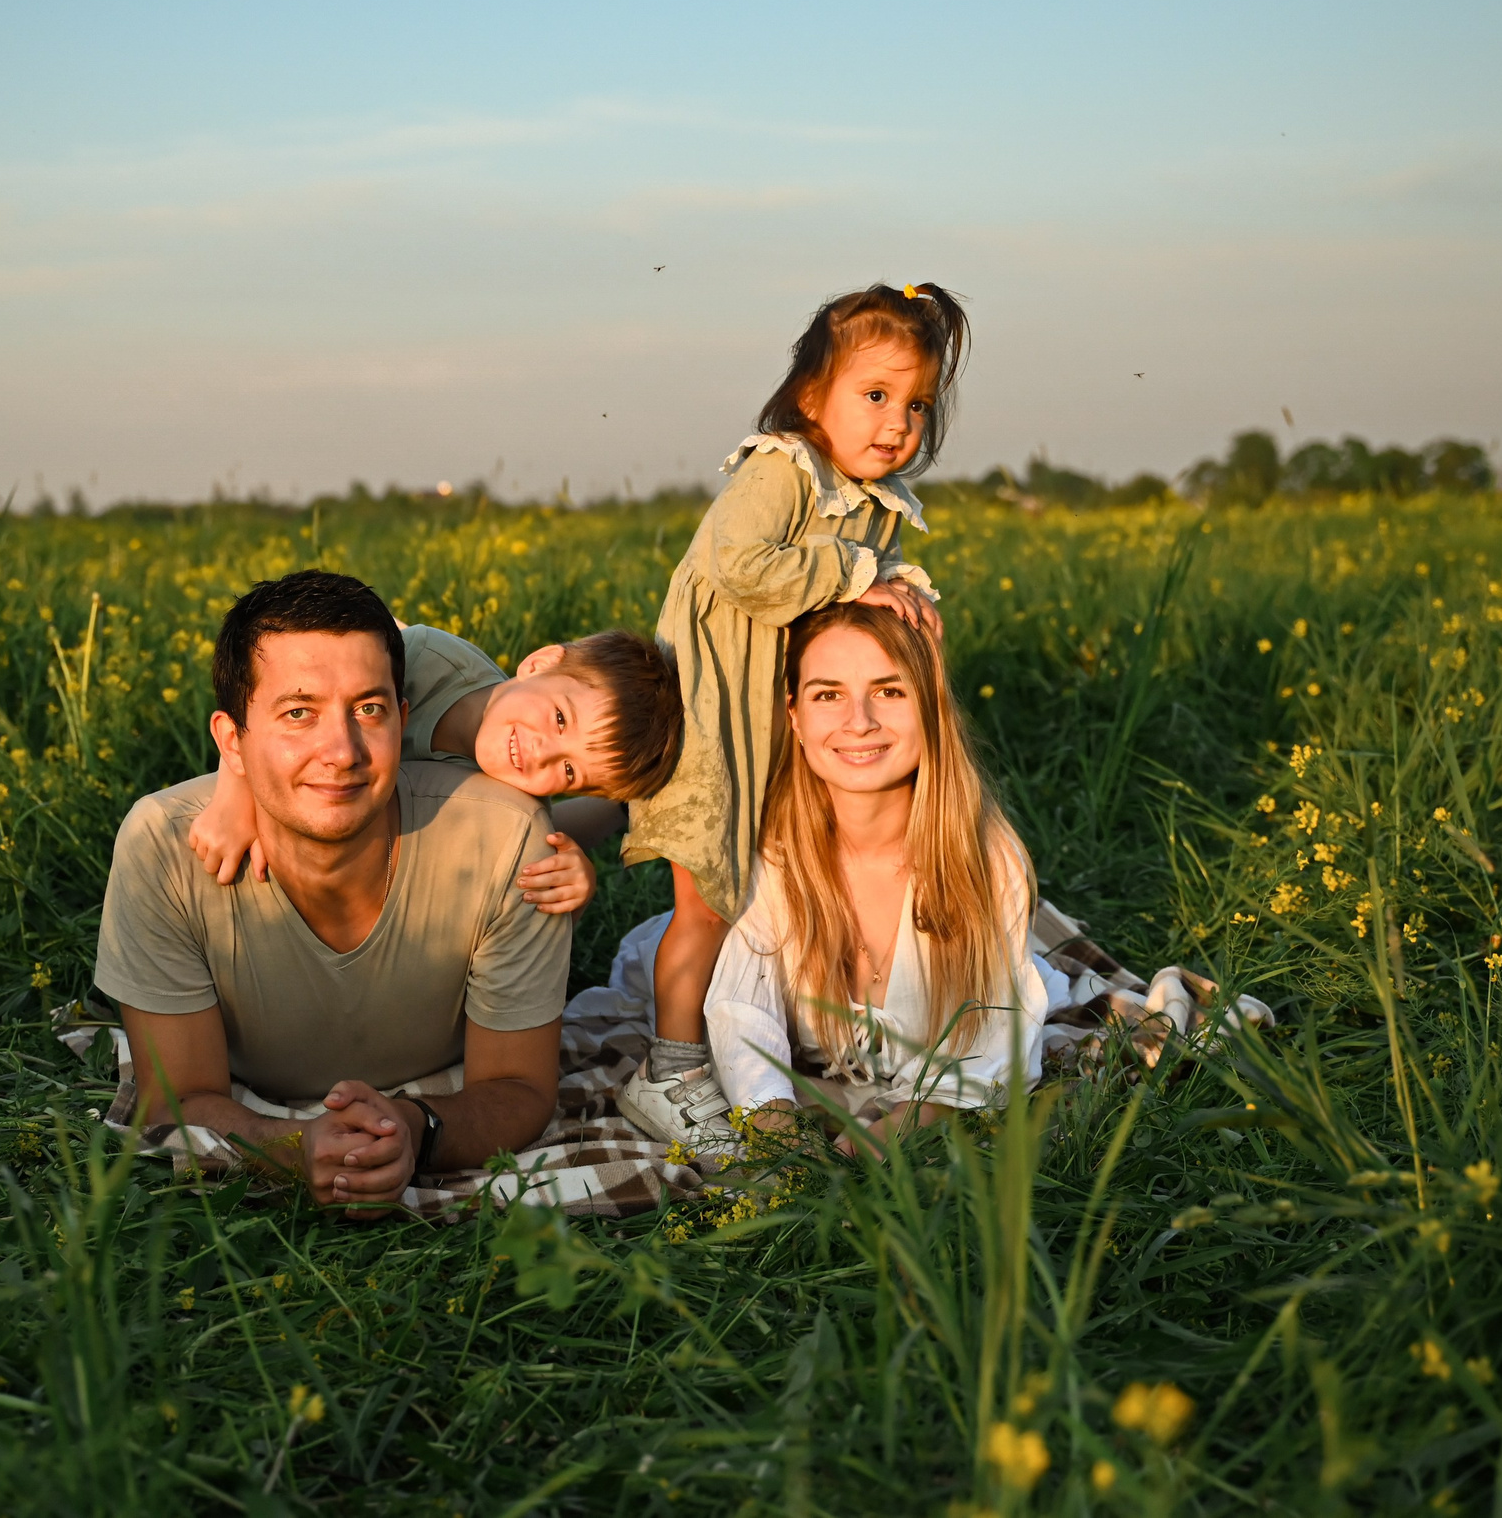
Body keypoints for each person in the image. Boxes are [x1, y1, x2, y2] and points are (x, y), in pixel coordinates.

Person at [93, 570, 572, 1214]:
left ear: (403, 722)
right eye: (299, 713)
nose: (342, 751)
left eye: (368, 709)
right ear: (232, 741)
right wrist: (293, 1147)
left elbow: (518, 1086)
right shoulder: (163, 847)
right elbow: (174, 1096)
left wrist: (413, 1130)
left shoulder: (509, 840)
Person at [618, 282, 968, 1144]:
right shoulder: (782, 469)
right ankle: (668, 1072)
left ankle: (767, 1033)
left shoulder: (869, 505)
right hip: (707, 725)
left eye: (916, 404)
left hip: (766, 728)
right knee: (705, 904)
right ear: (813, 396)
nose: (898, 423)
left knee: (753, 900)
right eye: (876, 395)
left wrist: (896, 595)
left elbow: (849, 606)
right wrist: (861, 574)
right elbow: (743, 565)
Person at [705, 600, 1050, 1146]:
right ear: (793, 715)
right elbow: (740, 1015)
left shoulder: (984, 859)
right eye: (828, 694)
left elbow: (997, 1039)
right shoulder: (772, 854)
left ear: (930, 707)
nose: (860, 722)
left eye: (890, 691)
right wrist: (778, 1128)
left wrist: (900, 1129)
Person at [187, 623, 682, 915]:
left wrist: (572, 876)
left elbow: (540, 847)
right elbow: (275, 686)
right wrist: (234, 793)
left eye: (570, 771)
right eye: (557, 719)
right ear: (539, 663)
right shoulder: (426, 659)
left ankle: (619, 806)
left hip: (382, 850)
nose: (540, 752)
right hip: (318, 783)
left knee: (538, 832)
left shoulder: (520, 793)